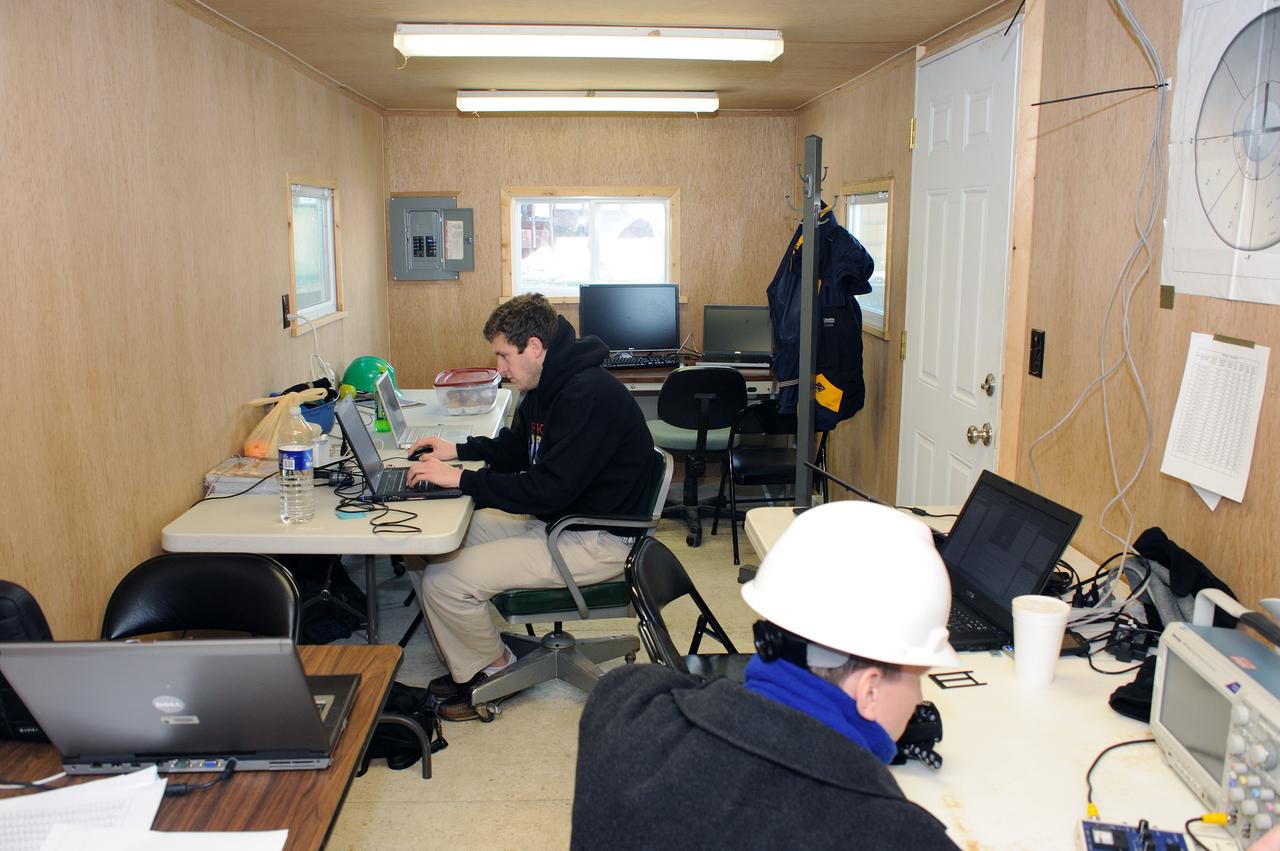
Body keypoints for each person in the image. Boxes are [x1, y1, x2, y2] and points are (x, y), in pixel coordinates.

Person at [571, 500, 961, 849]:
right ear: (870, 688)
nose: (917, 701)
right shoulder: (898, 835)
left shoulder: (620, 706)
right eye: (916, 677)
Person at [406, 293, 657, 721]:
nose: (499, 368)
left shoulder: (585, 395)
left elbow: (546, 491)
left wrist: (464, 480)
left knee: (442, 582)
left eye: (504, 356)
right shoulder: (546, 383)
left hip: (595, 537)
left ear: (535, 347)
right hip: (564, 520)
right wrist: (459, 450)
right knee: (422, 548)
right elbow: (521, 448)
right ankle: (474, 654)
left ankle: (494, 673)